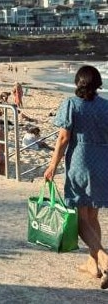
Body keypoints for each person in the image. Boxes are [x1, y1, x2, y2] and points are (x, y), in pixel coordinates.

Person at [43, 65, 108, 290]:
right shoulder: (106, 106)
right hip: (103, 162)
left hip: (80, 161)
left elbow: (63, 138)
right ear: (98, 83)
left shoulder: (71, 104)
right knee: (93, 216)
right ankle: (93, 265)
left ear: (78, 83)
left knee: (81, 219)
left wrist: (52, 166)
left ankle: (104, 259)